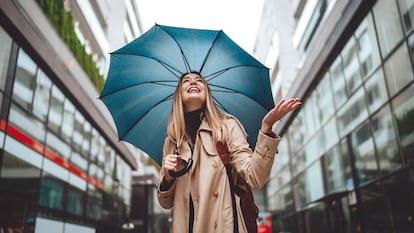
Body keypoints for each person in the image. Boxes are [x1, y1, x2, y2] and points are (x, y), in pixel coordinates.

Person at [157, 72, 301, 233]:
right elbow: (166, 203)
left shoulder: (226, 126)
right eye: (186, 81)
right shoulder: (172, 141)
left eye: (199, 80)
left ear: (207, 93)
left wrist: (266, 128)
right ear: (179, 95)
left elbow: (255, 176)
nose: (193, 82)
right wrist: (168, 177)